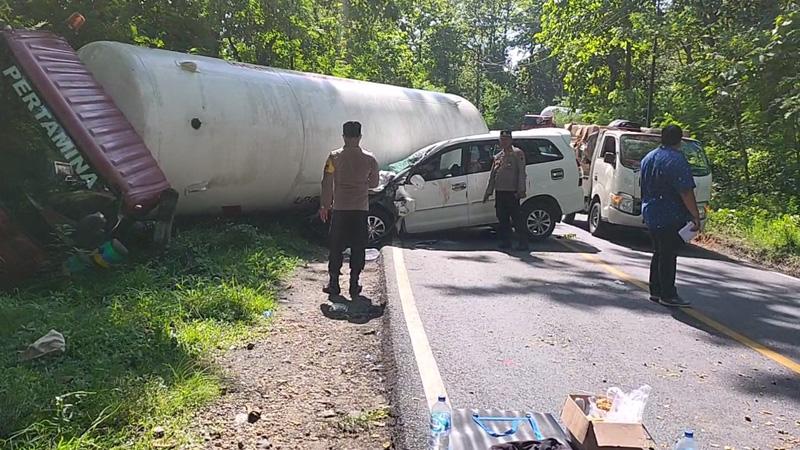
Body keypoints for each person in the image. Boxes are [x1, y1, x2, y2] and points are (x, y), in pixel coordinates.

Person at [640, 124, 701, 307]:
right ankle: (668, 293)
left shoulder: (648, 158)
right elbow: (685, 191)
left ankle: (655, 290)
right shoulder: (676, 160)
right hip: (669, 213)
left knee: (658, 252)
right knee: (668, 254)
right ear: (680, 140)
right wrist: (695, 215)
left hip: (650, 211)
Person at [319, 121, 379, 297]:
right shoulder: (370, 158)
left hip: (340, 208)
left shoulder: (334, 157)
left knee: (336, 246)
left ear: (343, 136)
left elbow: (327, 183)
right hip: (360, 209)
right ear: (360, 137)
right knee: (358, 246)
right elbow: (375, 184)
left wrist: (325, 205)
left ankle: (334, 283)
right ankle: (354, 283)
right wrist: (361, 184)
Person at [483, 130, 528, 251]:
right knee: (502, 218)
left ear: (511, 140)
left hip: (512, 192)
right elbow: (493, 175)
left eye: (506, 139)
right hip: (500, 192)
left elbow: (521, 173)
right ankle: (506, 241)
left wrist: (521, 190)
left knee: (516, 218)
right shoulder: (498, 156)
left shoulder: (517, 154)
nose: (504, 141)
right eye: (502, 139)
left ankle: (523, 242)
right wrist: (488, 191)